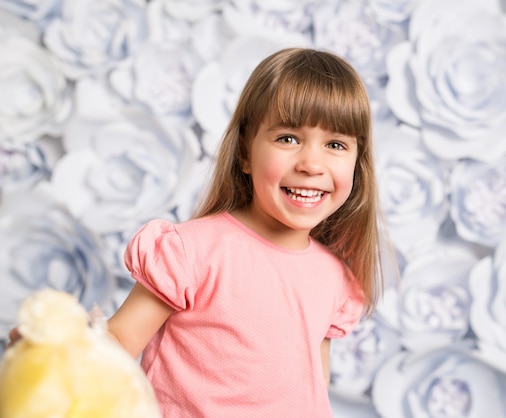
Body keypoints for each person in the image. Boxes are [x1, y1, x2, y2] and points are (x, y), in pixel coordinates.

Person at [13, 47, 386, 417]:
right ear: (245, 153)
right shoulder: (191, 253)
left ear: (358, 162)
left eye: (336, 144)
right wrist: (54, 350)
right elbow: (119, 343)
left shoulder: (334, 276)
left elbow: (313, 386)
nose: (311, 164)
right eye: (288, 138)